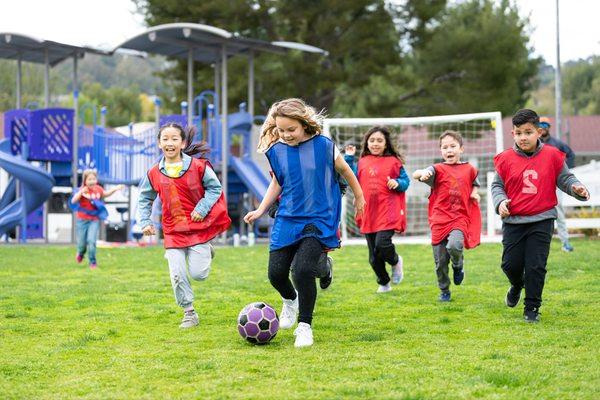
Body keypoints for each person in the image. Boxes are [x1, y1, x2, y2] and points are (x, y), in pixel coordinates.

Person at [244, 98, 365, 348]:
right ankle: (290, 300)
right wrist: (260, 209)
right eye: (281, 130)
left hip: (319, 217)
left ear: (304, 124)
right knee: (276, 274)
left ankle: (305, 326)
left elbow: (345, 171)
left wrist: (360, 196)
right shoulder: (275, 150)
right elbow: (277, 182)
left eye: (291, 129)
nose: (286, 135)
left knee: (301, 271)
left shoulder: (324, 146)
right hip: (288, 216)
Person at [492, 109, 589, 323]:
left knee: (536, 265)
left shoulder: (553, 155)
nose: (523, 137)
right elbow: (497, 186)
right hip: (514, 221)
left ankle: (532, 308)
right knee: (510, 265)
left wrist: (577, 188)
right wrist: (500, 202)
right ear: (513, 134)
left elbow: (566, 179)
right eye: (518, 133)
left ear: (538, 132)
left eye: (528, 132)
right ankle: (517, 285)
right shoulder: (505, 159)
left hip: (542, 219)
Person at [137, 123, 231, 329]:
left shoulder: (199, 167)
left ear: (183, 143)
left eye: (174, 139)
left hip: (199, 229)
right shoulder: (153, 173)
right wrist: (145, 222)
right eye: (165, 139)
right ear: (159, 143)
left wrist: (202, 207)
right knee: (177, 273)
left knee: (199, 274)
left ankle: (207, 250)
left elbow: (215, 188)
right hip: (172, 231)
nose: (170, 143)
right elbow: (144, 199)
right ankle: (189, 312)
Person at [413, 130, 481, 302]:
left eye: (453, 146)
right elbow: (417, 174)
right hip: (438, 220)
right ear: (440, 151)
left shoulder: (470, 169)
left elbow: (475, 184)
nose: (449, 150)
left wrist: (475, 193)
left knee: (455, 245)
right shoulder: (436, 169)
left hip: (460, 217)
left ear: (461, 149)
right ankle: (444, 290)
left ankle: (458, 266)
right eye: (445, 147)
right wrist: (422, 174)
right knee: (441, 262)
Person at [344, 126, 409, 292]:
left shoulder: (394, 162)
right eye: (372, 140)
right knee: (373, 257)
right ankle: (384, 282)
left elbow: (405, 181)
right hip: (368, 212)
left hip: (388, 210)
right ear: (367, 143)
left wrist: (398, 183)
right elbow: (351, 178)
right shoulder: (362, 162)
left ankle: (395, 261)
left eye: (379, 140)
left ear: (386, 144)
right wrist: (349, 158)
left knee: (382, 243)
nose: (375, 143)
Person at [71, 169, 124, 269]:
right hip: (82, 220)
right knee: (82, 243)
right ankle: (81, 253)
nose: (92, 181)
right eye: (89, 179)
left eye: (93, 179)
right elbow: (73, 201)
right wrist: (81, 192)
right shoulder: (82, 190)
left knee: (92, 241)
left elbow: (105, 193)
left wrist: (115, 189)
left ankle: (93, 262)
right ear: (85, 181)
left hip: (94, 220)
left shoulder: (98, 189)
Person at [539, 116, 576, 252]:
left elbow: (571, 155)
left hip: (554, 183)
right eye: (540, 125)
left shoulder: (557, 144)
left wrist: (565, 171)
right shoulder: (534, 143)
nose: (542, 127)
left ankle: (565, 242)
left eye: (545, 125)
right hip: (538, 184)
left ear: (549, 127)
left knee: (558, 210)